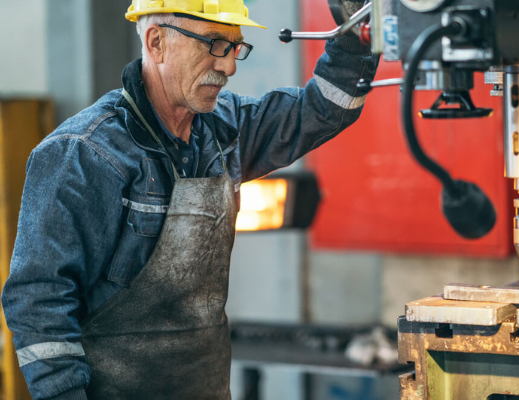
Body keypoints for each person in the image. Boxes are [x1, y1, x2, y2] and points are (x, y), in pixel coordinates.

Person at [1, 1, 377, 399]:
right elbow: (38, 302)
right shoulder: (84, 153)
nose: (230, 66)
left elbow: (321, 110)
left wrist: (355, 30)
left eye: (235, 47)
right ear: (157, 41)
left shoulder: (224, 129)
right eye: (214, 44)